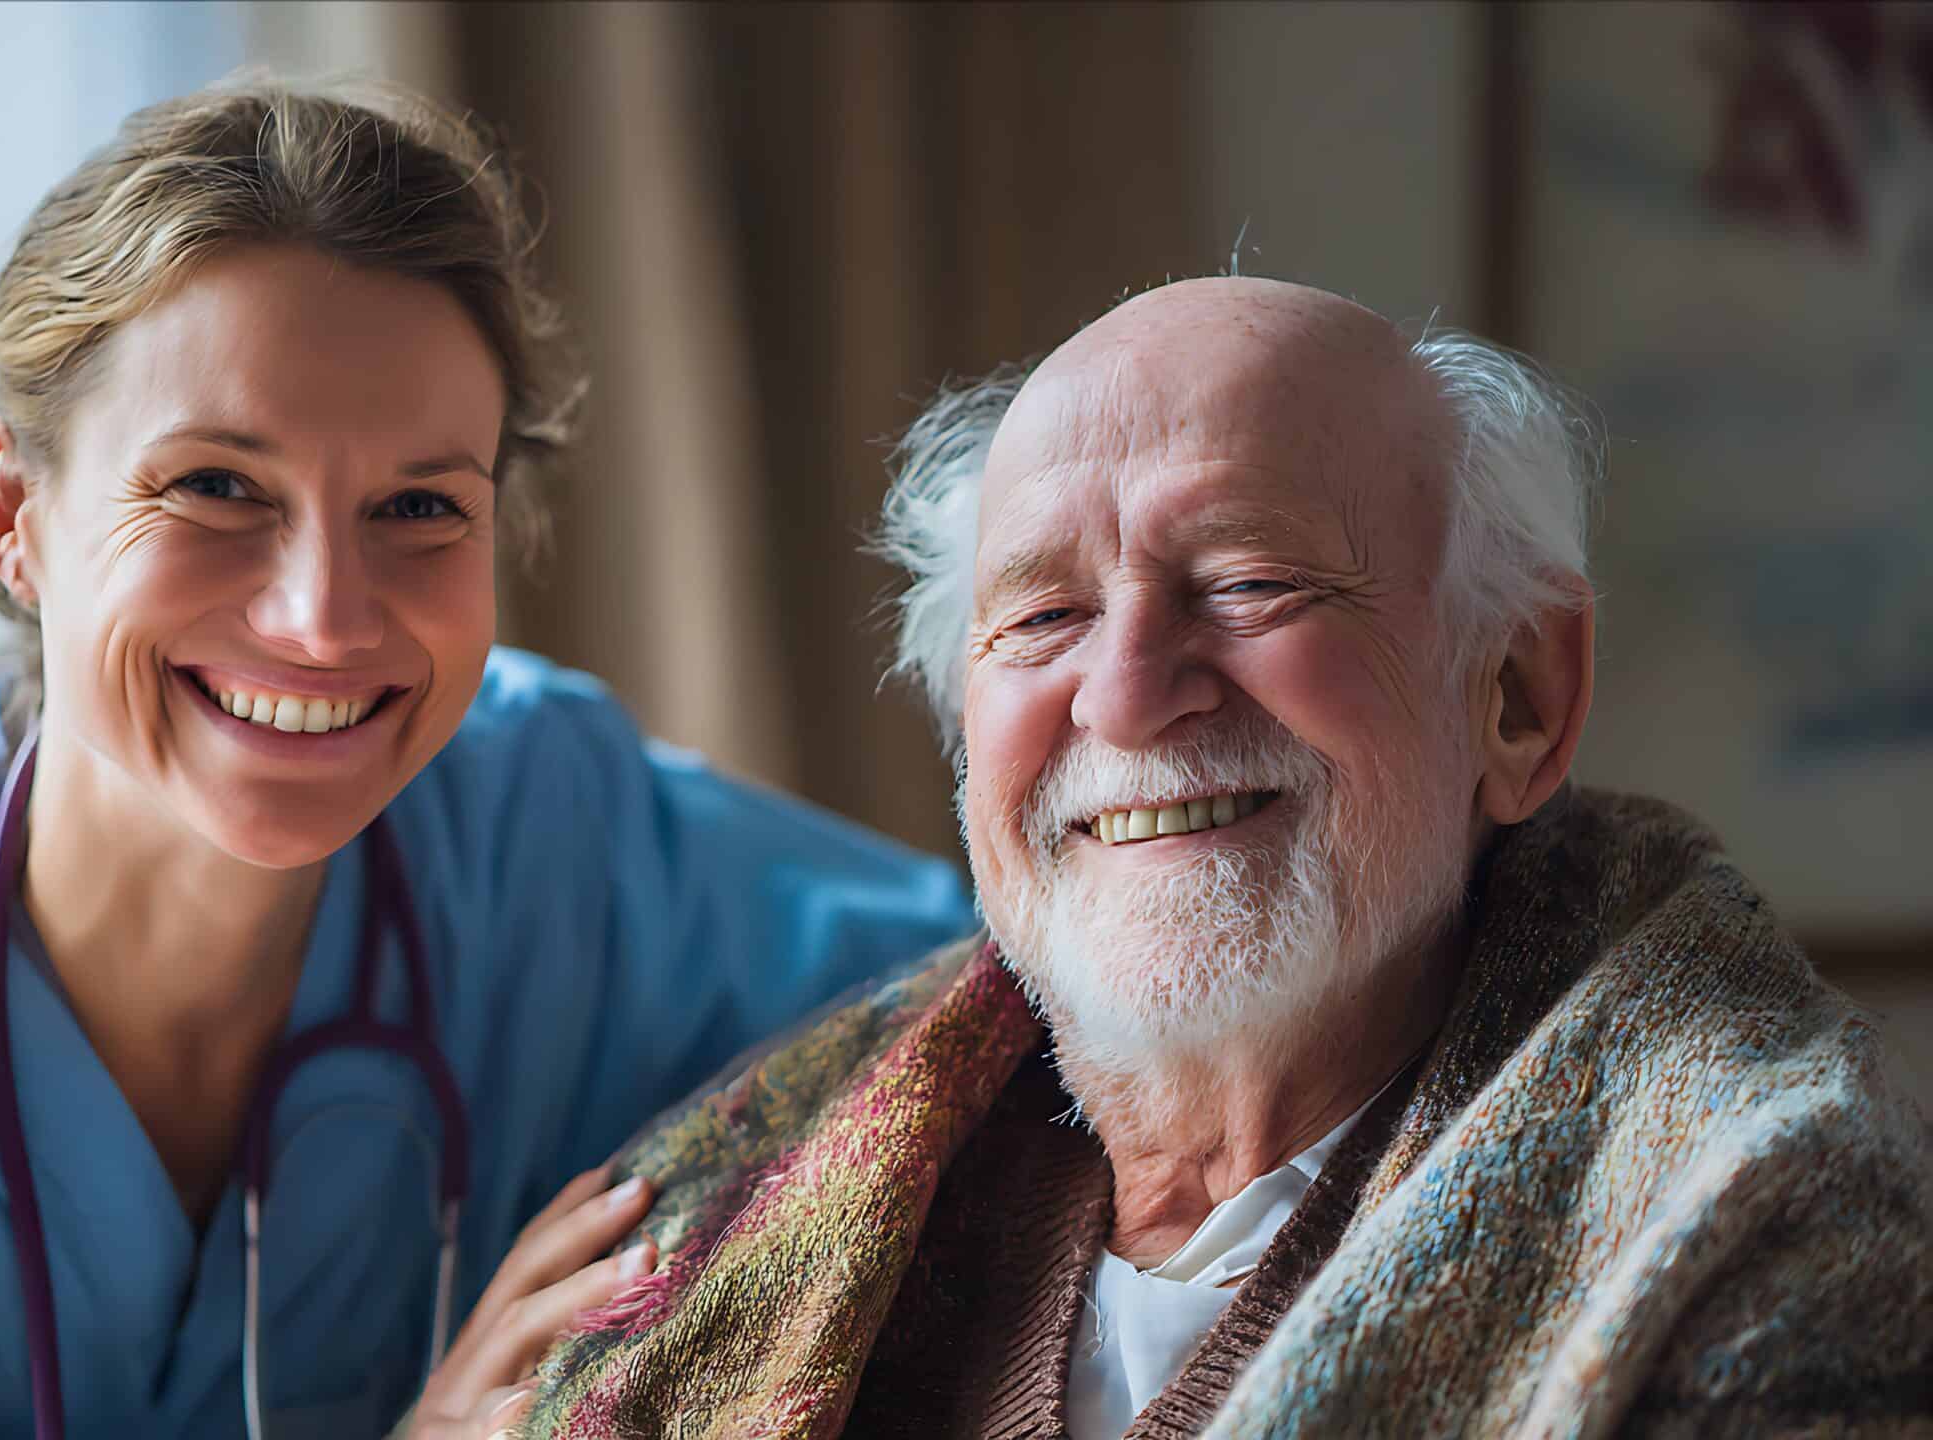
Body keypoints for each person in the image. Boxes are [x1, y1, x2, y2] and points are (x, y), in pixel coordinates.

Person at [0, 77, 976, 1440]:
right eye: (215, 486)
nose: (324, 618)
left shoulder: (541, 824)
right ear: (15, 518)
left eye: (419, 508)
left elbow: (1013, 984)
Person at [521, 278, 1933, 1436]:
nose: (1127, 694)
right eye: (1044, 617)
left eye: (1253, 582)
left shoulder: (1783, 1237)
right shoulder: (714, 1217)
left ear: (1518, 695)